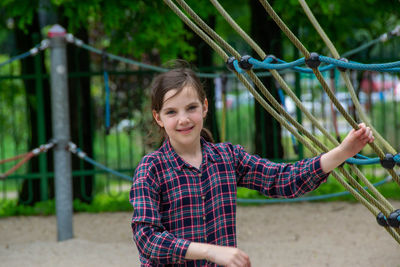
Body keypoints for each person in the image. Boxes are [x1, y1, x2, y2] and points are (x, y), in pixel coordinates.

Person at [129, 65, 374, 267]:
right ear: (158, 118)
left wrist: (343, 152)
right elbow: (147, 239)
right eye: (171, 112)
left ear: (204, 107)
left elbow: (283, 179)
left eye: (191, 108)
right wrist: (210, 252)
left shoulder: (227, 158)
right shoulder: (151, 169)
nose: (183, 119)